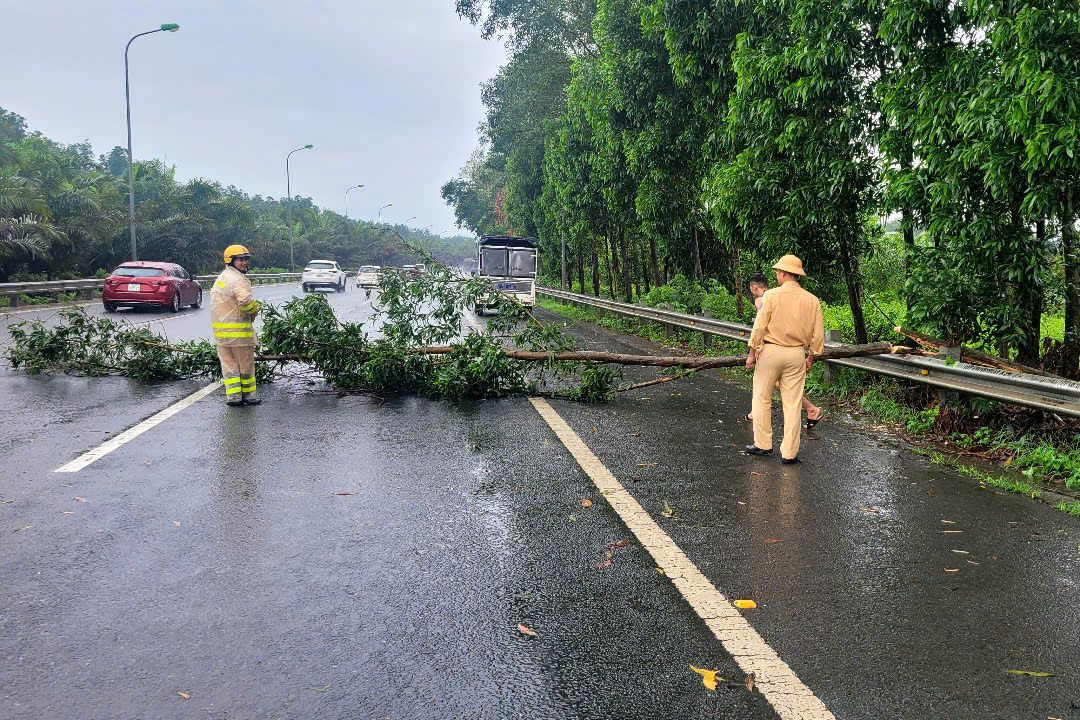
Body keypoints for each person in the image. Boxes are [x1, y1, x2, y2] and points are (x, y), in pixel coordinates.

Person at [744, 255, 824, 464]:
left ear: (784, 273)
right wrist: (811, 358)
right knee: (792, 403)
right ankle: (789, 453)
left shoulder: (771, 296)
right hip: (796, 354)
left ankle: (763, 444)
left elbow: (759, 326)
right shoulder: (812, 300)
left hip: (771, 352)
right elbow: (817, 336)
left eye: (778, 272)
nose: (777, 275)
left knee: (761, 397)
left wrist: (752, 354)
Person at [211, 245, 262, 406]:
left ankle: (233, 397)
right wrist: (255, 310)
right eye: (240, 259)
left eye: (246, 259)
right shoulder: (239, 279)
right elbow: (245, 301)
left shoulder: (222, 278)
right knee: (245, 366)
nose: (244, 262)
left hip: (221, 334)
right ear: (231, 260)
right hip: (239, 333)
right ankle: (249, 396)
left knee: (229, 366)